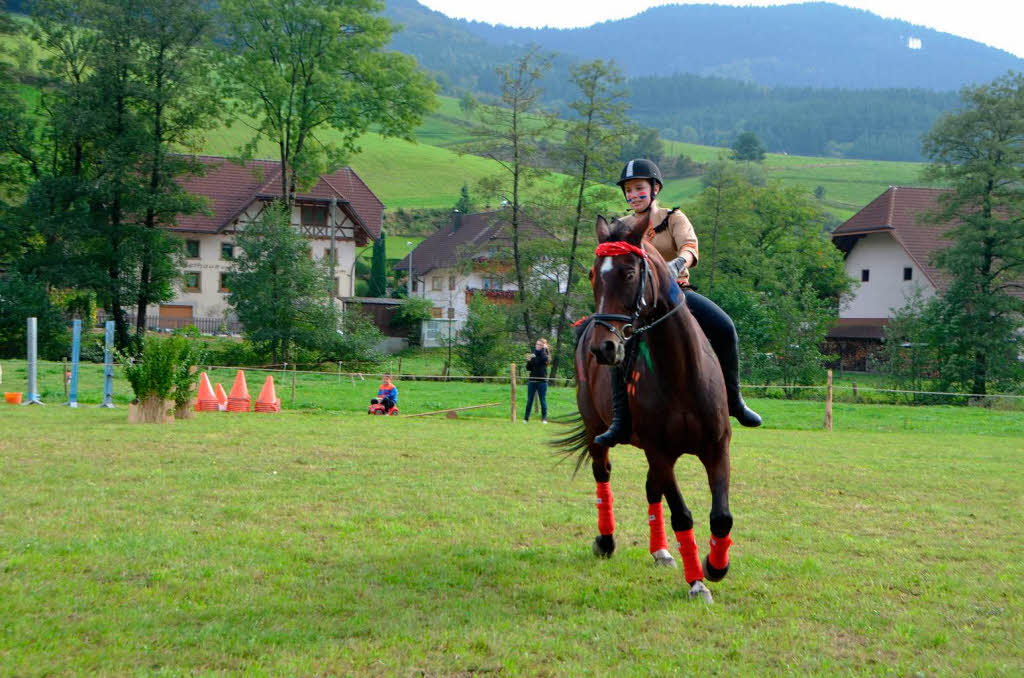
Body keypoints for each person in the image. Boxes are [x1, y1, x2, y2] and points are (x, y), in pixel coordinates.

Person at [594, 159, 761, 448]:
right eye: (629, 190)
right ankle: (621, 420)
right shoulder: (621, 226)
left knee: (725, 328)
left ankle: (734, 400)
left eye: (639, 188)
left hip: (675, 294)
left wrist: (675, 265)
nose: (633, 195)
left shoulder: (673, 218)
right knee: (618, 348)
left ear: (655, 189)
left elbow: (691, 248)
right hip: (638, 304)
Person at [524, 338, 550, 424]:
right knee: (529, 400)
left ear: (543, 346)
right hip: (532, 381)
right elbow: (529, 368)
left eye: (540, 345)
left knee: (542, 400)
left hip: (542, 381)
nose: (537, 346)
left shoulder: (545, 355)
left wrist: (544, 349)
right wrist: (528, 361)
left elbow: (544, 359)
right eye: (537, 344)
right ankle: (526, 418)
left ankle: (544, 419)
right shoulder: (533, 355)